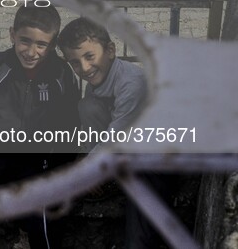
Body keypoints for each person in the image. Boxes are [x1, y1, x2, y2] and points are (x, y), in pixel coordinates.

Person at [0, 5, 80, 248]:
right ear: (12, 35)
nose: (31, 52)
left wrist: (64, 163)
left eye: (41, 45)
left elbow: (69, 122)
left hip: (35, 158)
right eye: (25, 41)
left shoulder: (62, 73)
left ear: (52, 45)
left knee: (45, 210)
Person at [58, 17, 175, 249]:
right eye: (74, 62)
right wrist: (85, 155)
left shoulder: (131, 83)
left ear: (110, 50)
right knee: (87, 106)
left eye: (89, 56)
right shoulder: (99, 82)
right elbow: (95, 128)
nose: (84, 68)